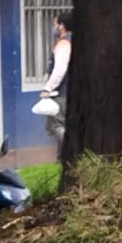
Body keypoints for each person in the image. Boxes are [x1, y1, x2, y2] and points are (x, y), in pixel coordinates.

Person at [41, 11, 72, 148]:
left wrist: (48, 88)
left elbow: (60, 69)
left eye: (55, 24)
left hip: (60, 93)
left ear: (61, 26)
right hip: (70, 91)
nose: (54, 28)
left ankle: (72, 149)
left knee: (54, 126)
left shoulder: (63, 44)